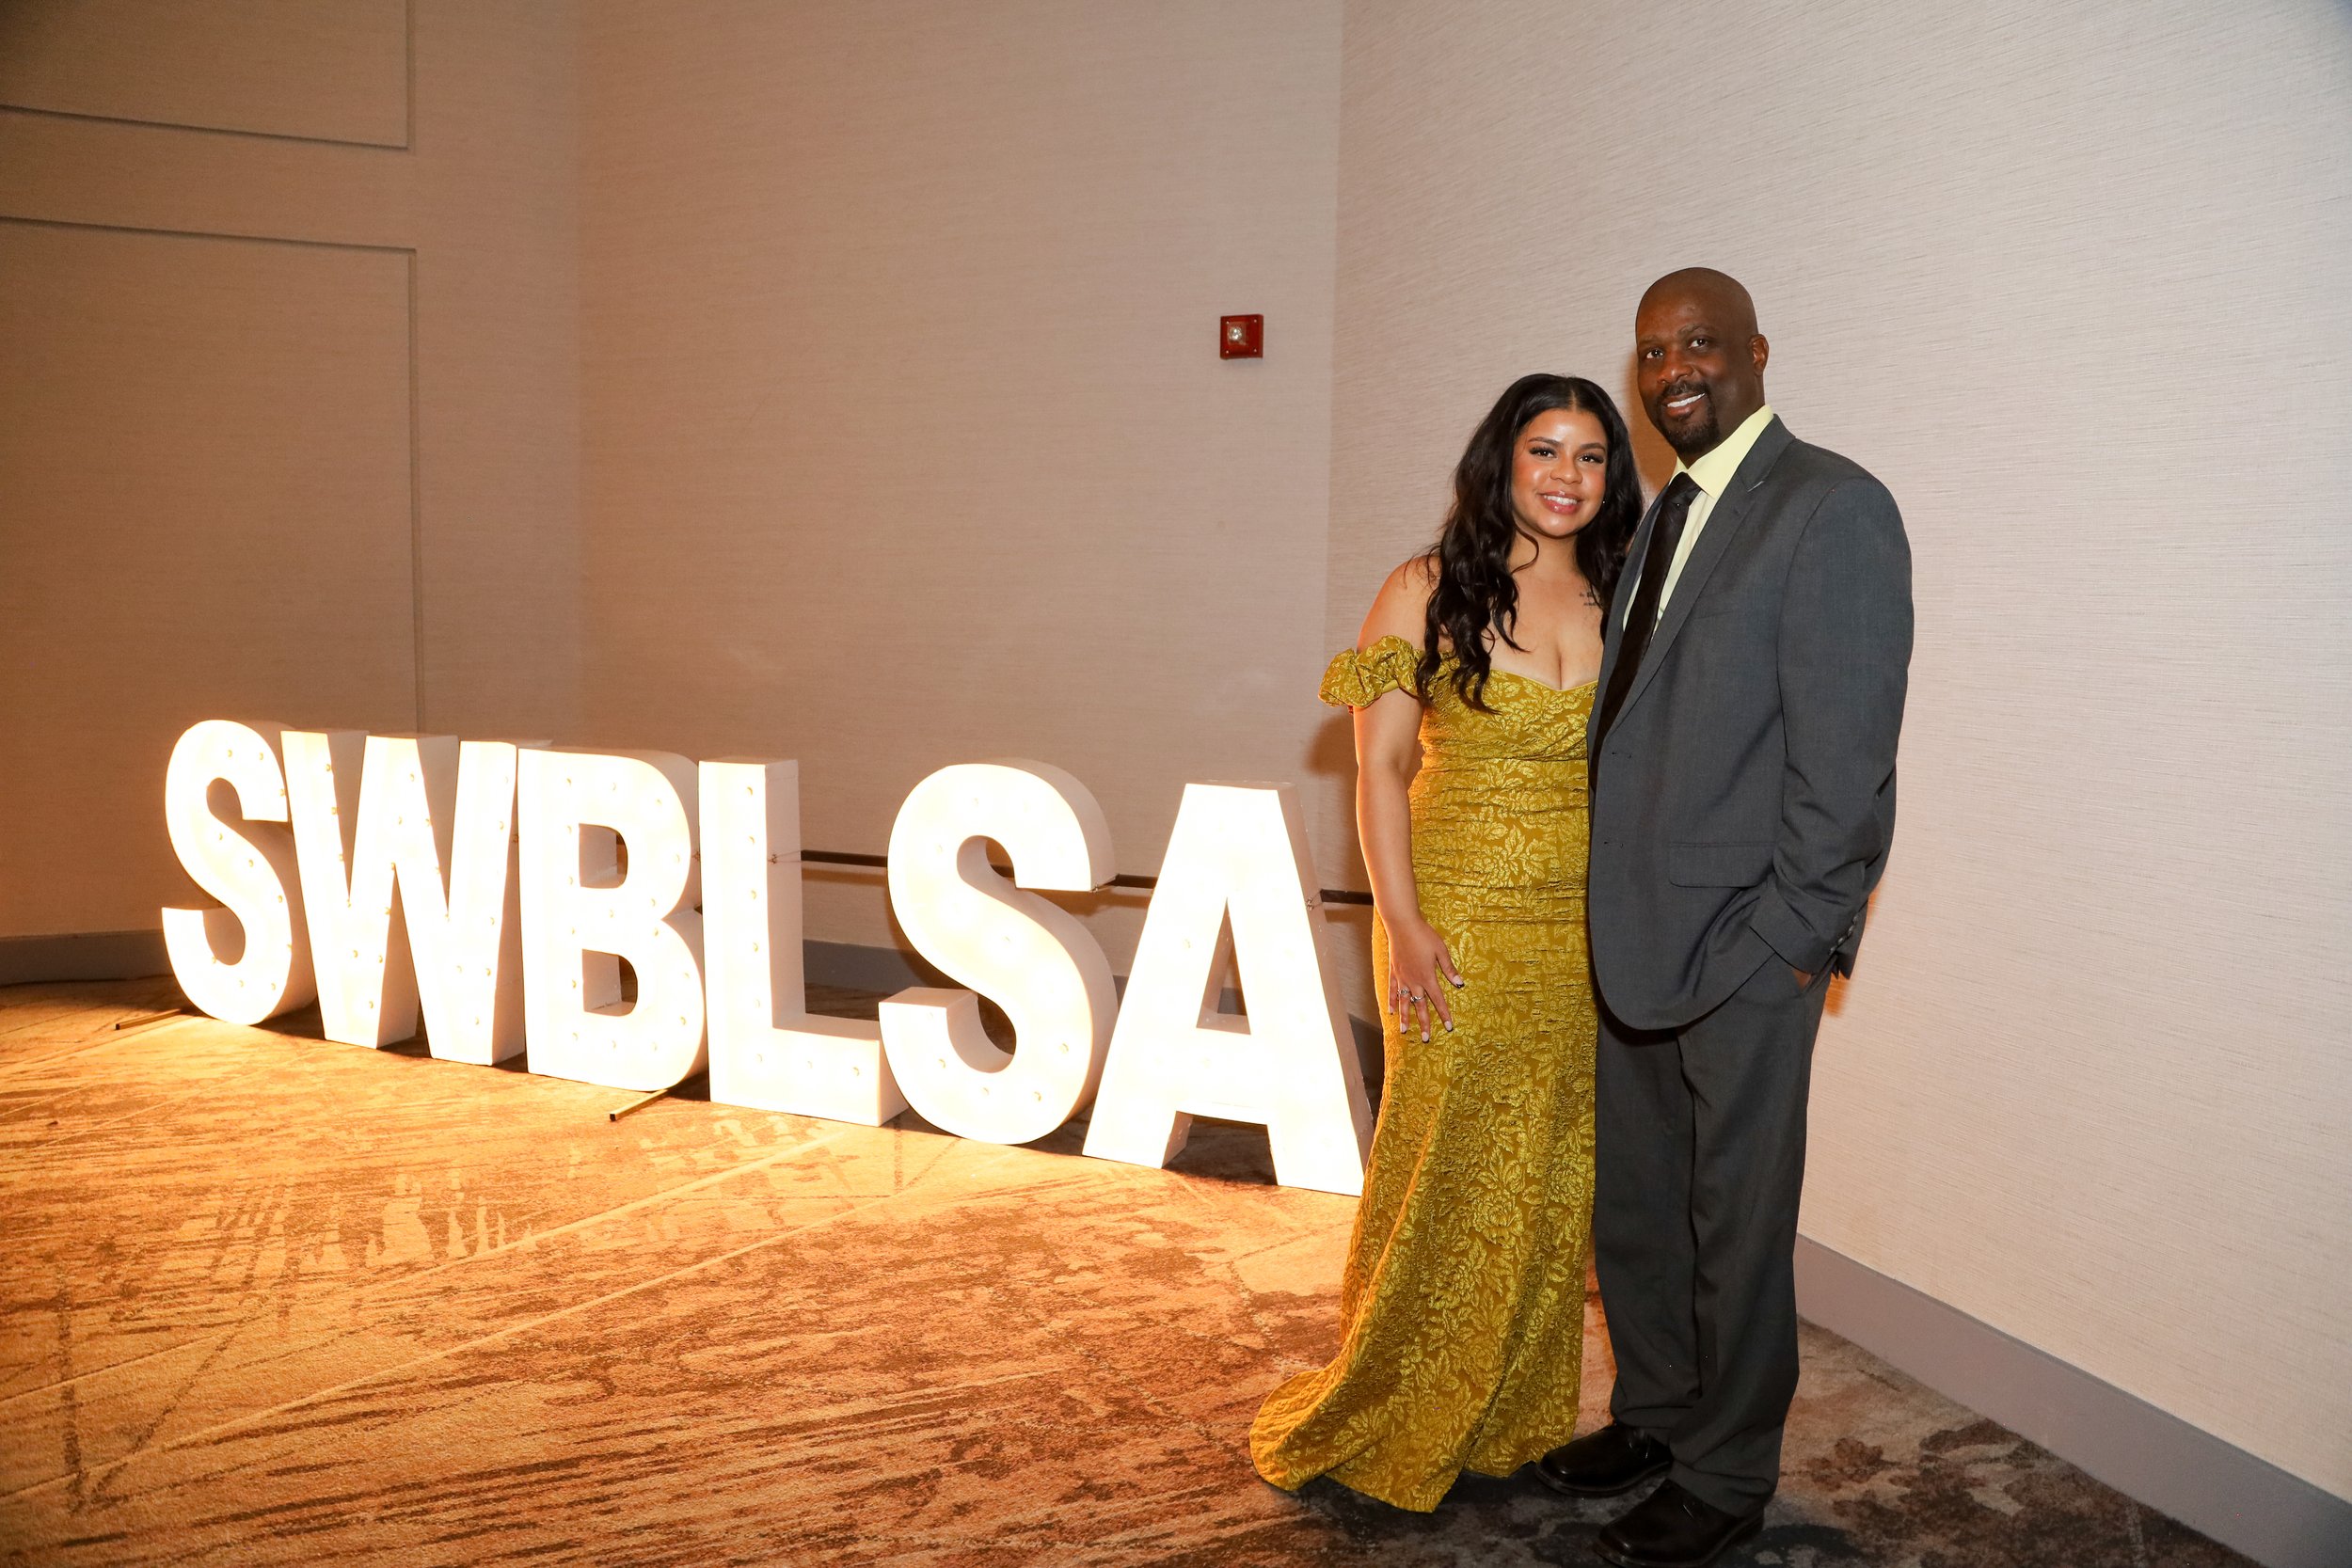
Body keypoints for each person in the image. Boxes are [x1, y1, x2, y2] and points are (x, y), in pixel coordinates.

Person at [1536, 270, 1912, 1568]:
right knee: (1639, 1204)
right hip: (1632, 930)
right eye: (1651, 350)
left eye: (1697, 342)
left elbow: (1848, 753)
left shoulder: (1832, 506)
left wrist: (1792, 938)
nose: (1671, 367)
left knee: (1734, 1221)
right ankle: (1655, 1412)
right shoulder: (1663, 516)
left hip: (1746, 949)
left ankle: (1729, 1466)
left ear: (1756, 351)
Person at [1250, 373, 1641, 1511]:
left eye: (1590, 456)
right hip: (1454, 915)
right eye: (1543, 451)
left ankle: (1512, 1412)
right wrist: (1403, 926)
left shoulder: (1624, 590)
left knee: (1549, 1171)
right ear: (1500, 462)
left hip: (1580, 929)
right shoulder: (1425, 585)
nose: (1566, 477)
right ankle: (1398, 1395)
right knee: (1441, 1163)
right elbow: (1376, 769)